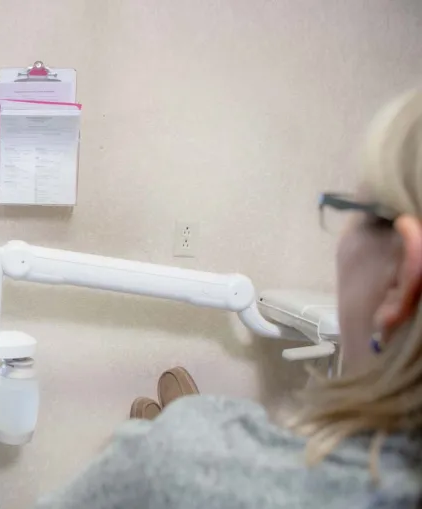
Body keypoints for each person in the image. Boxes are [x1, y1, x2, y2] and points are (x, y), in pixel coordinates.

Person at [35, 88, 422, 509]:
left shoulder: (177, 461)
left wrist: (168, 456)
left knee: (178, 443)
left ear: (399, 276)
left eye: (351, 210)